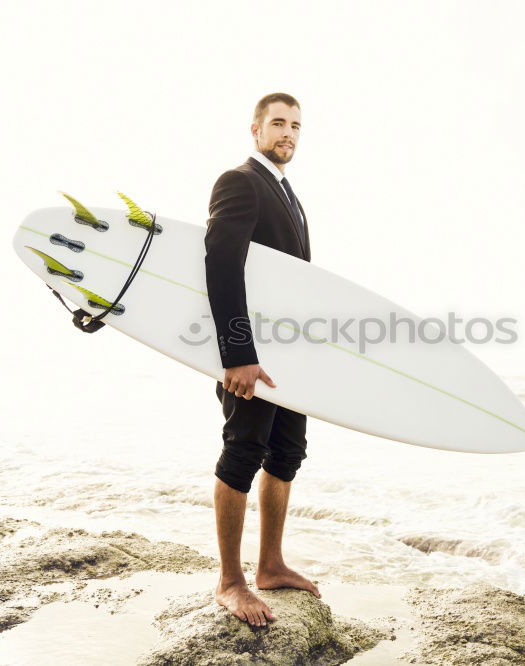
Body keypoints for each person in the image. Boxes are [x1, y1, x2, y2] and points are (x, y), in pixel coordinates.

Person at [204, 92, 320, 628]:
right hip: (251, 355)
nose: (288, 133)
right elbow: (222, 266)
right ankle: (231, 580)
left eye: (296, 125)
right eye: (278, 123)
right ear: (255, 130)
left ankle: (270, 563)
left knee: (287, 452)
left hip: (289, 355)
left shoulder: (290, 197)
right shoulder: (241, 182)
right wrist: (238, 354)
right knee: (243, 450)